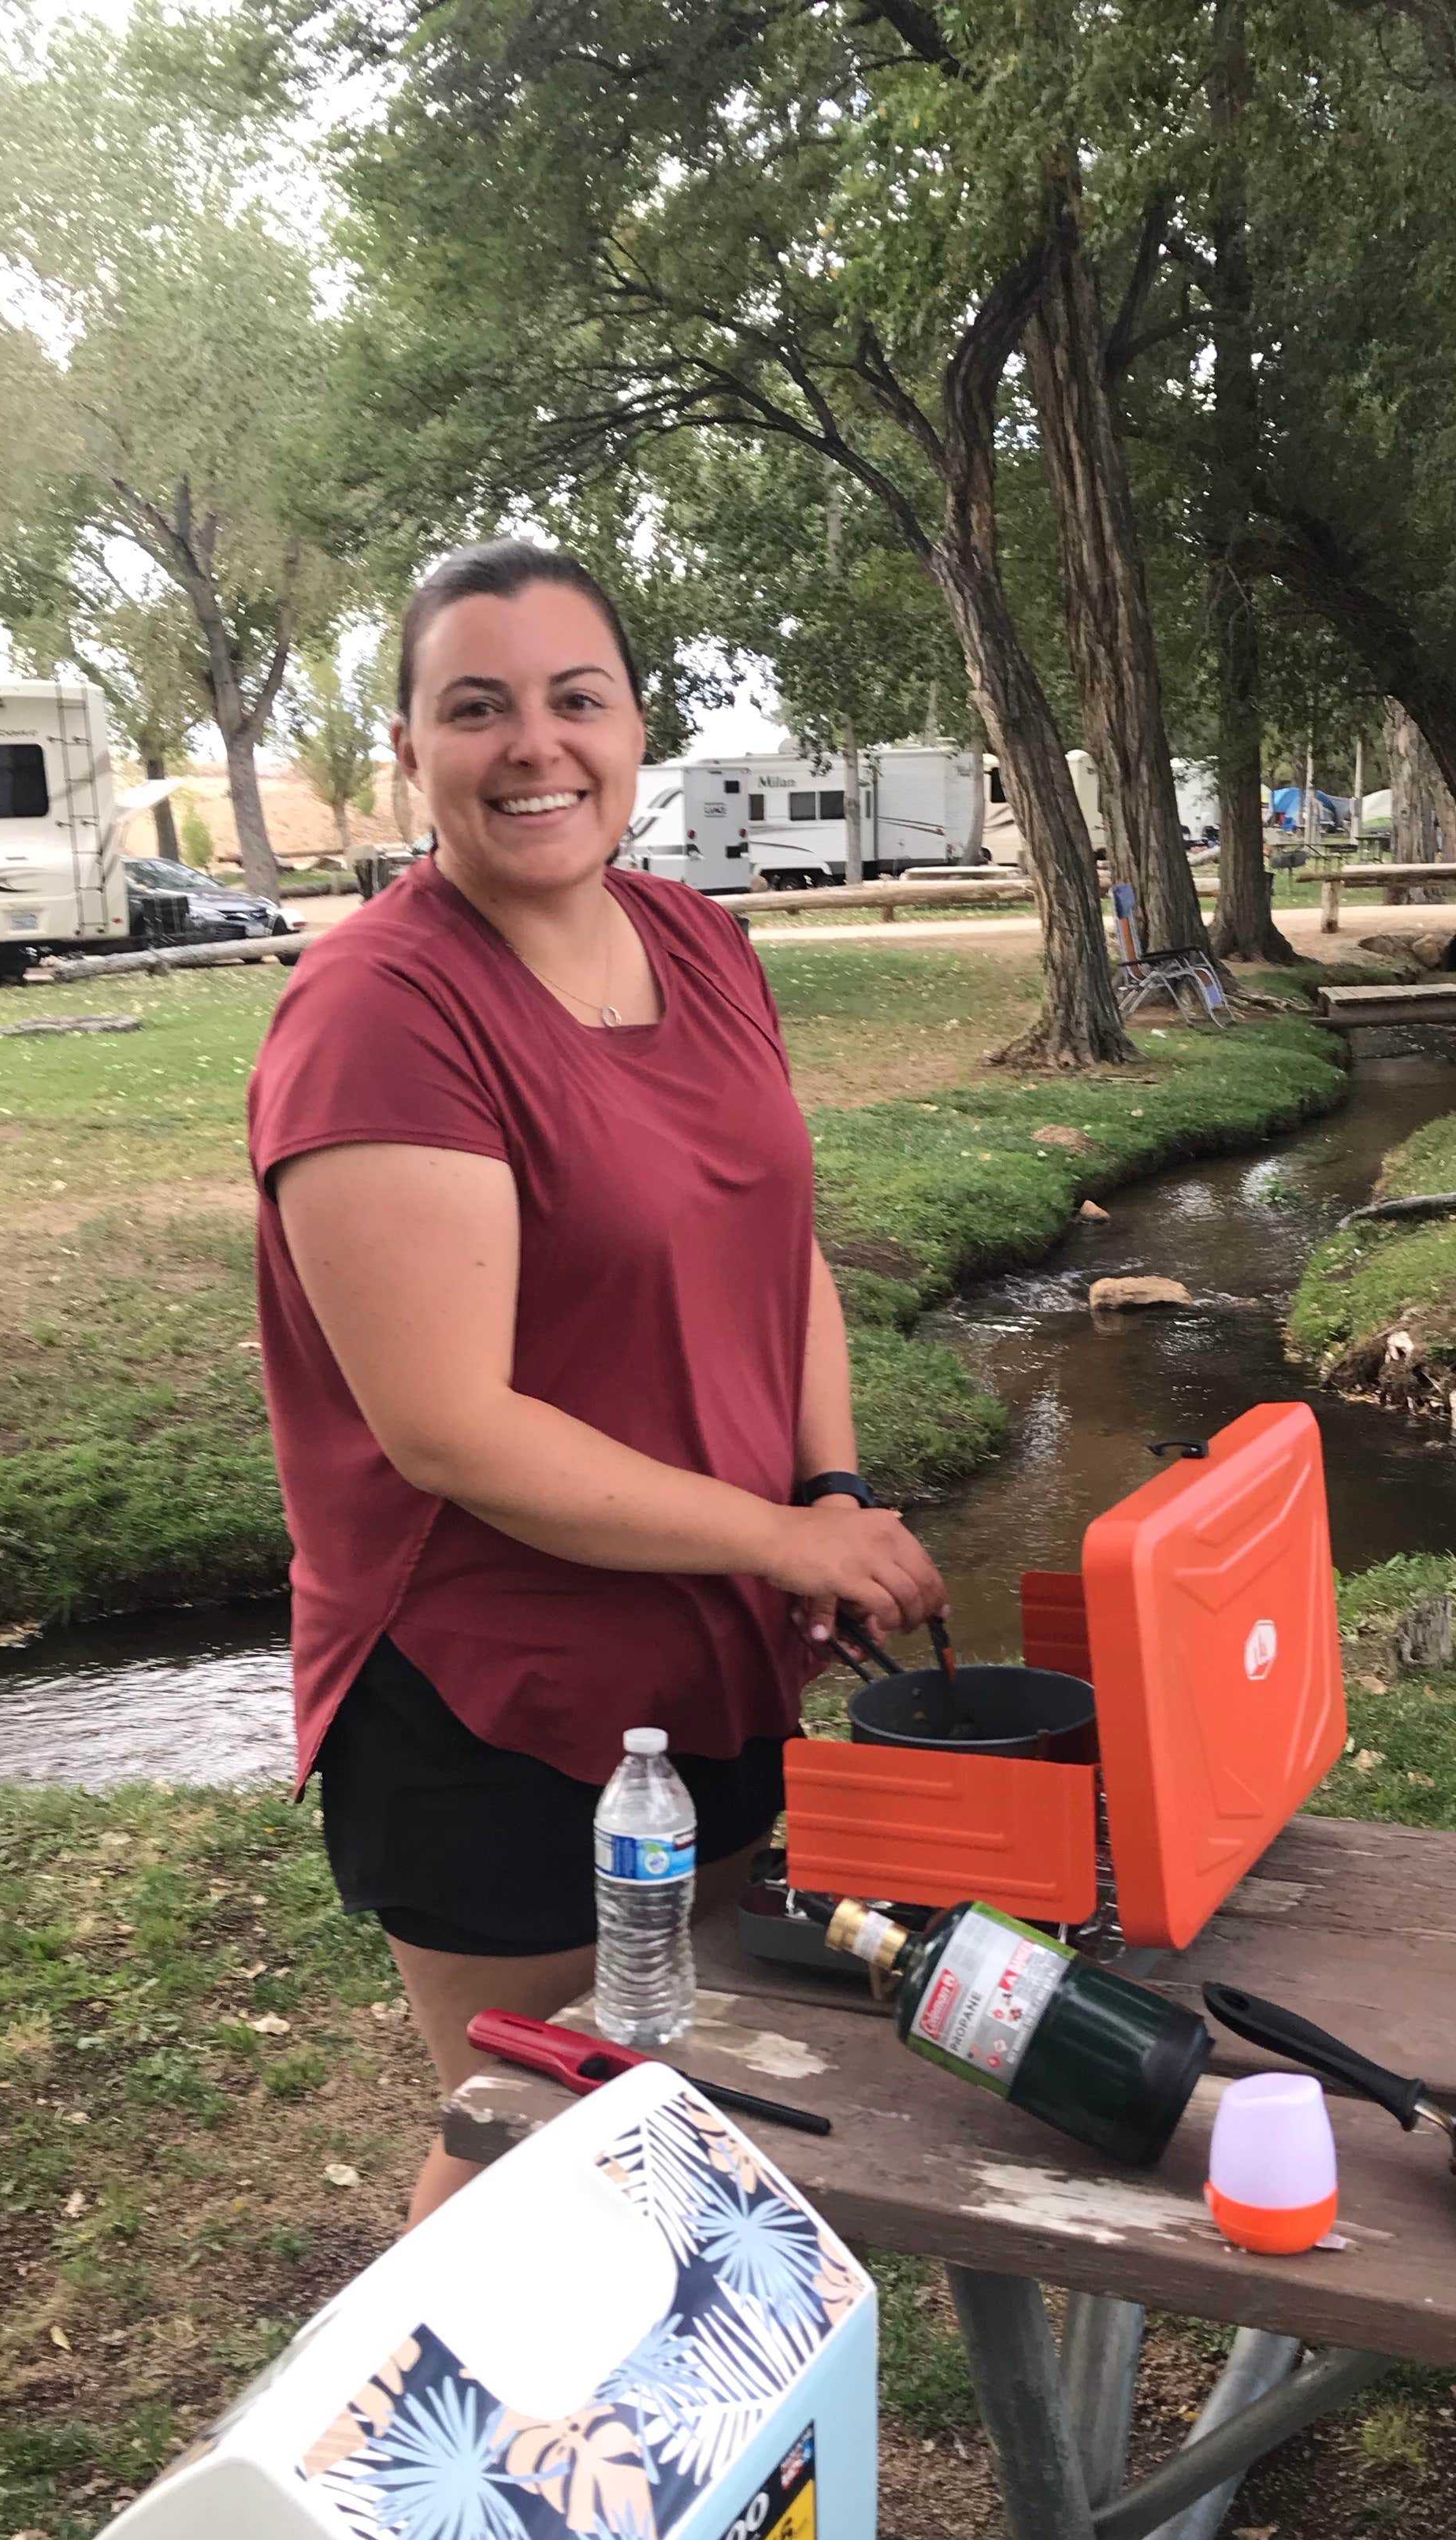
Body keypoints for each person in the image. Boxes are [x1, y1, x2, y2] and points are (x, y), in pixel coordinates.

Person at [248, 541, 947, 2222]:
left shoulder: (700, 943)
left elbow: (779, 1255)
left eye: (577, 699)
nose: (534, 745)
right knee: (535, 2136)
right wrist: (784, 1546)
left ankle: (667, 2457)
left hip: (711, 1647)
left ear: (638, 726)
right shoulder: (381, 1013)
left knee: (690, 2110)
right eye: (475, 708)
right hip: (500, 1693)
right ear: (409, 749)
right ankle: (450, 2477)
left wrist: (831, 1494)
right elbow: (449, 1427)